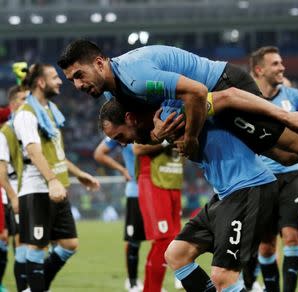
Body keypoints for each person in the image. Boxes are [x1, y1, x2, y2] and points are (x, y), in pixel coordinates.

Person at [57, 40, 298, 173]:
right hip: (211, 95)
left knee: (296, 143)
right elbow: (150, 130)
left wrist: (187, 136)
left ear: (101, 62)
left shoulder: (136, 77)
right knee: (284, 158)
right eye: (71, 80)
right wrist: (162, 133)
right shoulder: (113, 95)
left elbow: (199, 92)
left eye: (79, 75)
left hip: (224, 84)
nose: (76, 85)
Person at [99, 97, 280, 291]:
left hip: (248, 187)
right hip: (224, 193)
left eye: (119, 136)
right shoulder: (163, 120)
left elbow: (208, 99)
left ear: (130, 119)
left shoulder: (176, 108)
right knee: (176, 254)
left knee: (223, 277)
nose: (122, 144)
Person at [13, 63, 100, 291]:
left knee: (70, 244)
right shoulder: (26, 114)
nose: (60, 81)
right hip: (37, 190)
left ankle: (36, 286)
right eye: (54, 77)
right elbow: (33, 151)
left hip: (56, 187)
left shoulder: (49, 111)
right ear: (41, 83)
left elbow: (56, 154)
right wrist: (52, 180)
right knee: (36, 248)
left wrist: (79, 174)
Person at [246, 46, 298, 292]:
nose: (282, 67)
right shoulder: (246, 98)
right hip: (260, 178)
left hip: (292, 174)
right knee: (266, 246)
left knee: (292, 237)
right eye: (275, 64)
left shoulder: (294, 97)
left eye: (281, 62)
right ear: (259, 69)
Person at [94, 139, 145, 292]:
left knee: (161, 239)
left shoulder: (156, 122)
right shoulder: (123, 129)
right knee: (133, 239)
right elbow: (99, 153)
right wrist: (122, 170)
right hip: (135, 191)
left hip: (158, 189)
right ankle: (133, 282)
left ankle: (153, 283)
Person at [132, 142, 183, 292]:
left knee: (171, 240)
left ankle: (149, 289)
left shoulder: (184, 120)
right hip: (153, 179)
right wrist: (168, 139)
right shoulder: (150, 119)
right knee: (164, 240)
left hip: (174, 180)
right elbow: (138, 148)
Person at [0, 85, 28, 292]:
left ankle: (23, 287)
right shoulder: (5, 129)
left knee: (21, 241)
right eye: (21, 100)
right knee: (4, 239)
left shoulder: (26, 124)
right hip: (5, 190)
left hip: (21, 187)